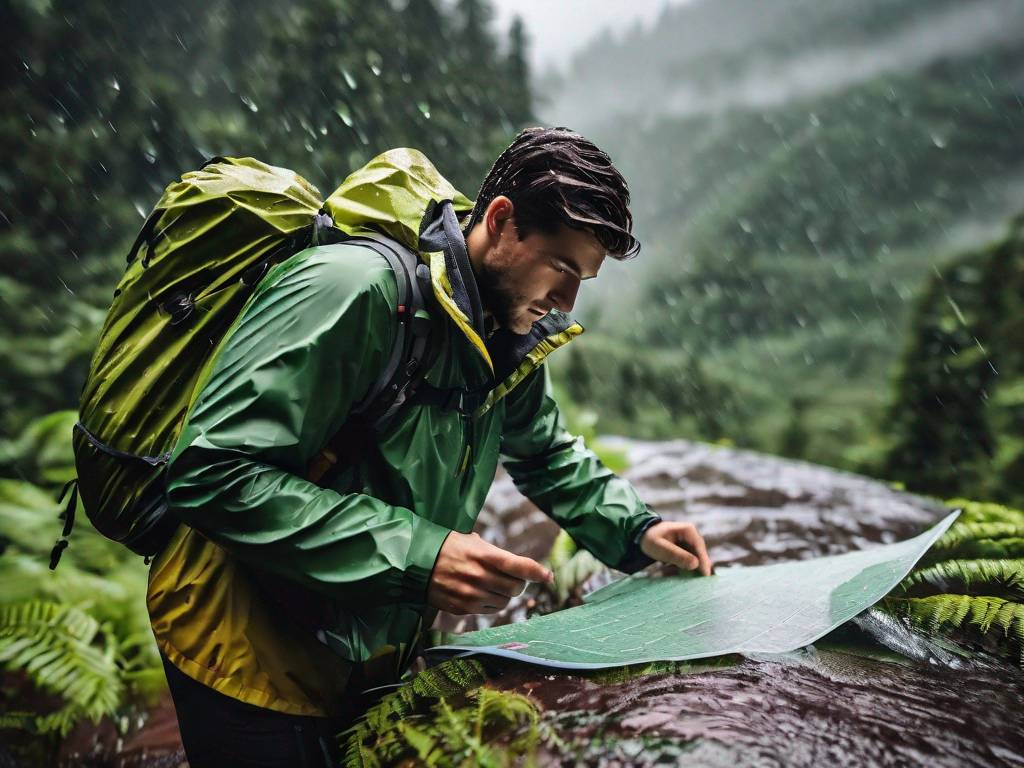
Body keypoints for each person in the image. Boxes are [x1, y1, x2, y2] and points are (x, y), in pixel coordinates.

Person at [147, 126, 714, 767]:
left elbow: (544, 450)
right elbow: (210, 472)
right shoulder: (350, 290)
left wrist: (637, 530)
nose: (566, 302)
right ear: (501, 222)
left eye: (582, 279)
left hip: (364, 643)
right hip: (243, 645)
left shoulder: (506, 329)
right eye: (561, 268)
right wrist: (423, 556)